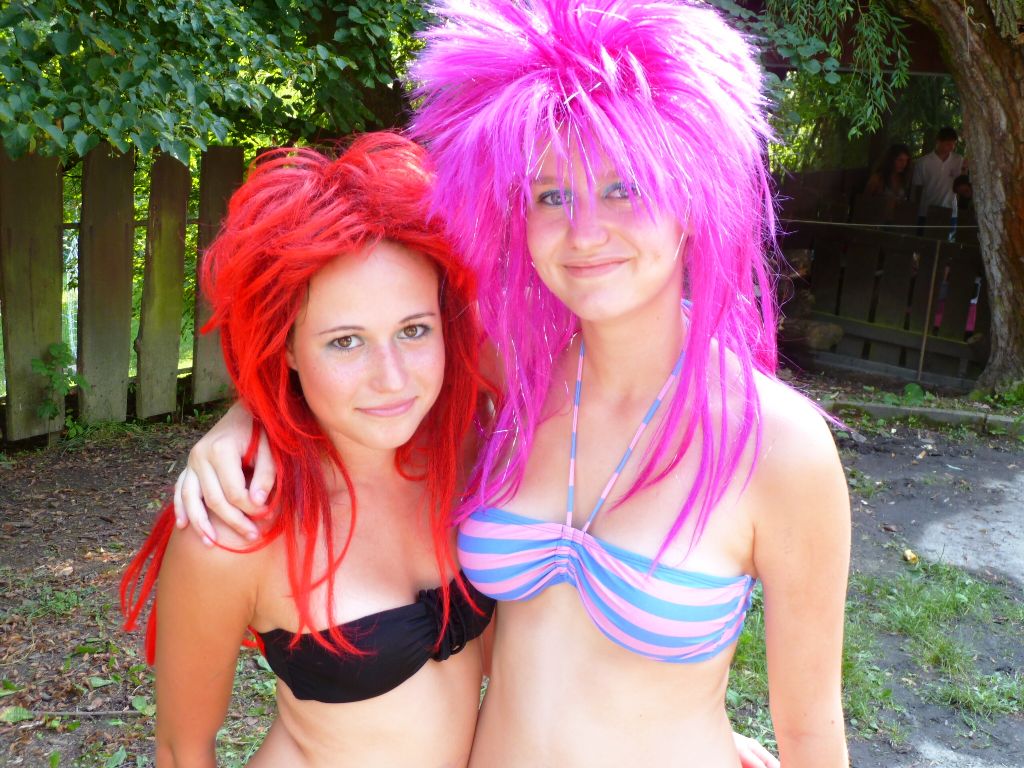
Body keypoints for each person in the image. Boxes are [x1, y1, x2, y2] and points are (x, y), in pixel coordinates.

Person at [176, 2, 850, 766]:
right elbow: (350, 350)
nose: (585, 231)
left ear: (692, 198)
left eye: (624, 188)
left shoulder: (779, 447)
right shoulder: (509, 377)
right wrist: (244, 422)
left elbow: (810, 731)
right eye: (552, 195)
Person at [120, 134, 496, 767]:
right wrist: (254, 410)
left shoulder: (466, 451)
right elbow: (182, 750)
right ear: (287, 348)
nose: (392, 379)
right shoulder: (235, 528)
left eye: (413, 330)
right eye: (345, 341)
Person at [913, 126, 964, 219]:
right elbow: (918, 187)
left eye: (954, 144)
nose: (952, 147)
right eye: (948, 144)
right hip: (926, 212)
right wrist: (916, 208)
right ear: (938, 141)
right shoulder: (923, 162)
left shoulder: (959, 160)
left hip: (950, 212)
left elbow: (962, 184)